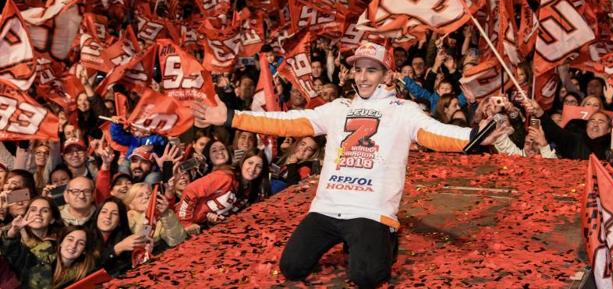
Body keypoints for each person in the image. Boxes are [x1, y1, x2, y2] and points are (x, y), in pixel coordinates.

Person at [192, 41, 499, 289]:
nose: (362, 77)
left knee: (366, 277)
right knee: (292, 267)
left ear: (388, 76)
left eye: (372, 70)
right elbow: (288, 121)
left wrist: (474, 136)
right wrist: (231, 117)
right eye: (358, 70)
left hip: (369, 210)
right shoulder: (338, 108)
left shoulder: (403, 110)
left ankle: (386, 235)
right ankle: (350, 240)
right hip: (327, 206)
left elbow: (434, 133)